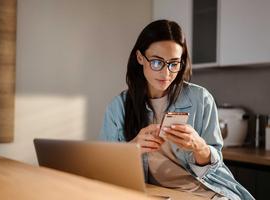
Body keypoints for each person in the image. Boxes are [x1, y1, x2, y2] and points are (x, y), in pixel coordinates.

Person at [99, 20, 254, 200]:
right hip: (156, 194)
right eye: (157, 62)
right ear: (140, 57)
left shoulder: (201, 99)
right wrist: (132, 147)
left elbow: (214, 164)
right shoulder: (118, 107)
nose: (166, 74)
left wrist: (199, 147)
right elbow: (104, 167)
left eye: (174, 64)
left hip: (206, 192)